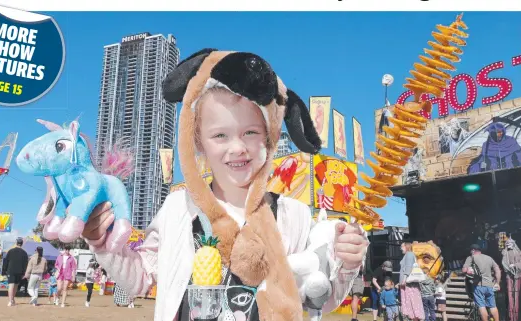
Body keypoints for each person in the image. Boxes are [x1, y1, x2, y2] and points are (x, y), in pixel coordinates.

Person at [80, 49, 369, 321]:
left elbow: (318, 296)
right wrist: (104, 244)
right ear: (198, 142)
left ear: (269, 138)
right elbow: (142, 277)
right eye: (220, 135)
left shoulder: (293, 214)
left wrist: (347, 262)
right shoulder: (178, 208)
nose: (237, 148)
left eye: (251, 132)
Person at [462, 244, 501, 321]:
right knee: (493, 306)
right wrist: (497, 283)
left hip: (478, 286)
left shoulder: (471, 257)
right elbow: (497, 270)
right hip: (490, 285)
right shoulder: (489, 258)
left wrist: (469, 270)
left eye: (471, 251)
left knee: (482, 307)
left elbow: (464, 270)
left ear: (473, 250)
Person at [399, 242, 425, 321]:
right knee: (410, 304)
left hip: (409, 284)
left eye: (402, 246)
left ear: (406, 247)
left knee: (413, 304)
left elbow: (408, 267)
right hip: (407, 284)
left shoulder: (409, 254)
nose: (401, 248)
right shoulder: (408, 255)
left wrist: (404, 279)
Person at [1, 237, 29, 307]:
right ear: (22, 244)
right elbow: (26, 264)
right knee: (16, 285)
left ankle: (10, 301)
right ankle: (12, 299)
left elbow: (6, 261)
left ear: (16, 243)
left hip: (11, 270)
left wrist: (4, 271)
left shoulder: (10, 251)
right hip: (19, 271)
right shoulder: (24, 253)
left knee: (11, 285)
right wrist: (24, 273)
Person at [501, 238, 521, 321]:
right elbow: (504, 263)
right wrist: (509, 269)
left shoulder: (518, 252)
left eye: (510, 243)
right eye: (507, 244)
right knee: (510, 294)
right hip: (509, 276)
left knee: (516, 294)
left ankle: (516, 315)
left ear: (513, 244)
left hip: (517, 275)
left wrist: (515, 266)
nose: (508, 245)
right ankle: (511, 316)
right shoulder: (504, 253)